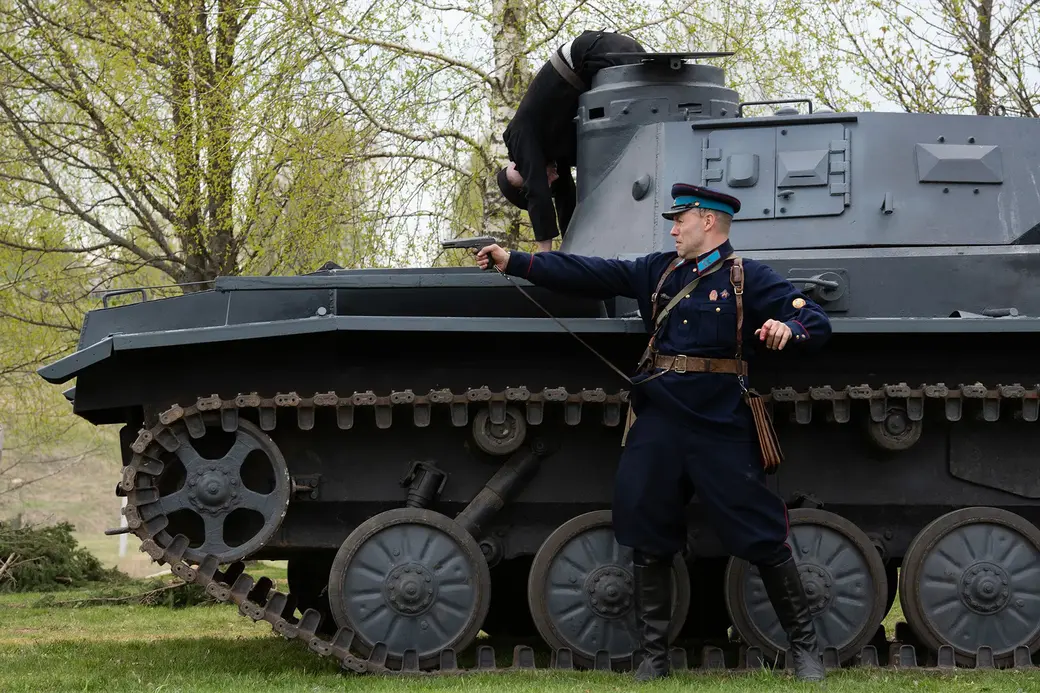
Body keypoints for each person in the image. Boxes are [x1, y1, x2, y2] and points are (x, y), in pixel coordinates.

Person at [476, 183, 831, 683]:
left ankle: (805, 650)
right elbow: (591, 273)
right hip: (660, 419)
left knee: (759, 530)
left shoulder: (746, 277)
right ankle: (653, 658)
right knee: (646, 527)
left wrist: (788, 330)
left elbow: (812, 317)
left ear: (708, 221)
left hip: (719, 422)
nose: (673, 228)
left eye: (680, 219)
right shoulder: (659, 271)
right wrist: (513, 260)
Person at [497, 30, 646, 252]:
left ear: (522, 173)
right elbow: (566, 201)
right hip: (610, 57)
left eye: (543, 181)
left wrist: (544, 258)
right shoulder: (551, 154)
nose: (553, 179)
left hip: (596, 53)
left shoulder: (518, 136)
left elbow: (538, 193)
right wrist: (569, 251)